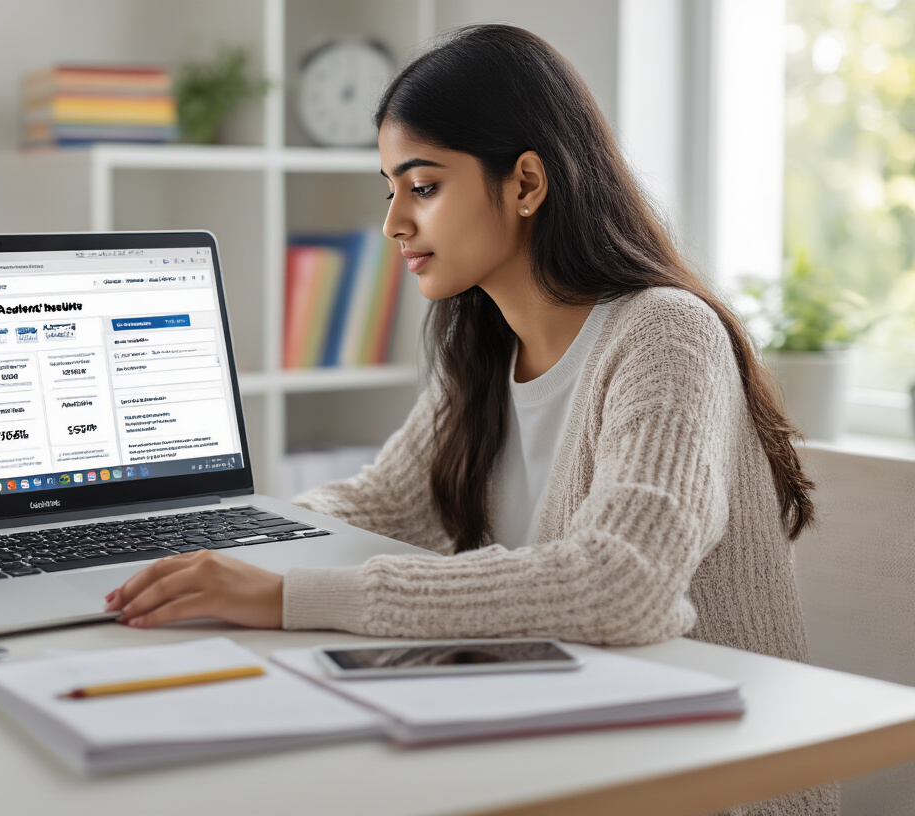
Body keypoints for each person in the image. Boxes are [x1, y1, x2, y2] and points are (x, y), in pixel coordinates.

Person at [107, 25, 836, 815]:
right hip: (568, 744)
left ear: (526, 182)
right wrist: (211, 548)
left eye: (421, 187)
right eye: (389, 188)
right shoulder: (485, 346)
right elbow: (377, 507)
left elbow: (623, 582)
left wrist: (287, 594)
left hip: (706, 781)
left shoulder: (664, 333)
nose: (393, 223)